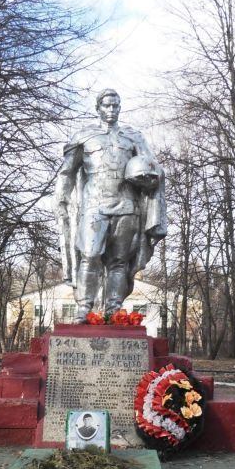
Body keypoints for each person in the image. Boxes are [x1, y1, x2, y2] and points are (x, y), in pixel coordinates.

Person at [54, 89, 167, 322]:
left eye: (115, 105)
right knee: (89, 255)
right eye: (107, 105)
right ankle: (84, 308)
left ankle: (113, 310)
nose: (111, 110)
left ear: (120, 107)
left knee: (119, 262)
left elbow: (152, 167)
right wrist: (61, 200)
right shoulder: (84, 136)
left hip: (127, 206)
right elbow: (67, 172)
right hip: (94, 207)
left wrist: (149, 178)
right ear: (98, 108)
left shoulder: (133, 137)